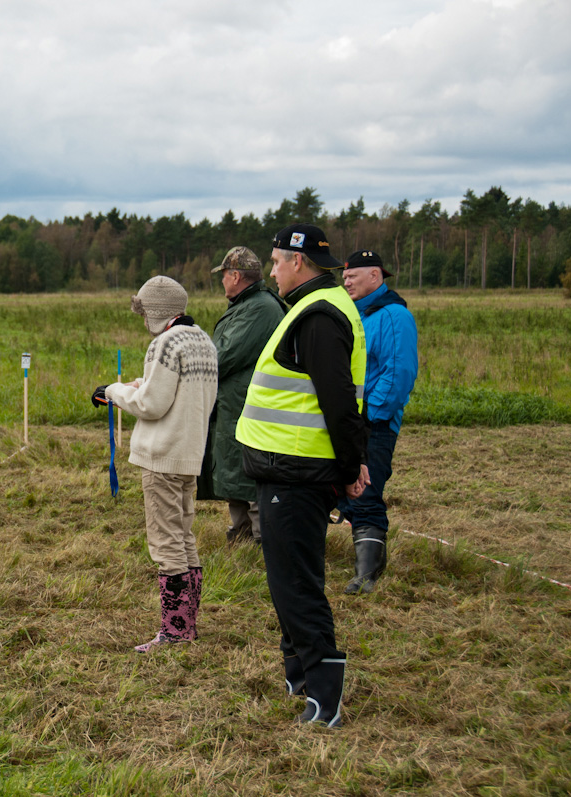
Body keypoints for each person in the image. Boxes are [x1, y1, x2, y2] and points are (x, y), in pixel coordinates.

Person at [235, 223, 369, 727]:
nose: (271, 271)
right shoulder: (316, 309)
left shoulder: (318, 317)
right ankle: (300, 676)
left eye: (275, 262)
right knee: (285, 580)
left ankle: (324, 696)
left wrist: (352, 465)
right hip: (286, 468)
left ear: (298, 263)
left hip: (296, 471)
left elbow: (339, 401)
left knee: (297, 584)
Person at [92, 276, 218, 652]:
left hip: (162, 455)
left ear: (155, 311)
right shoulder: (203, 341)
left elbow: (151, 405)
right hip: (190, 453)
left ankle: (175, 631)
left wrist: (113, 392)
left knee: (165, 542)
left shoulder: (163, 343)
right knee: (184, 537)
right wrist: (139, 386)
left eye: (144, 310)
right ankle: (187, 625)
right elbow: (174, 393)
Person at [337, 250, 418, 594]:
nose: (346, 281)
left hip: (374, 424)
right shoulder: (352, 314)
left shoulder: (393, 316)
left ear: (375, 275)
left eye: (353, 275)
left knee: (366, 491)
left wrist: (370, 416)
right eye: (344, 277)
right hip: (347, 421)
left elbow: (397, 372)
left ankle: (367, 575)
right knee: (342, 489)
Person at [208, 246, 286, 545]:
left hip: (249, 407)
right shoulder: (247, 305)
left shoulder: (260, 308)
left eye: (224, 275)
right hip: (236, 406)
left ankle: (261, 540)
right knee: (233, 469)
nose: (223, 282)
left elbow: (222, 356)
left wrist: (198, 362)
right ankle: (240, 534)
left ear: (236, 275)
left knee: (250, 474)